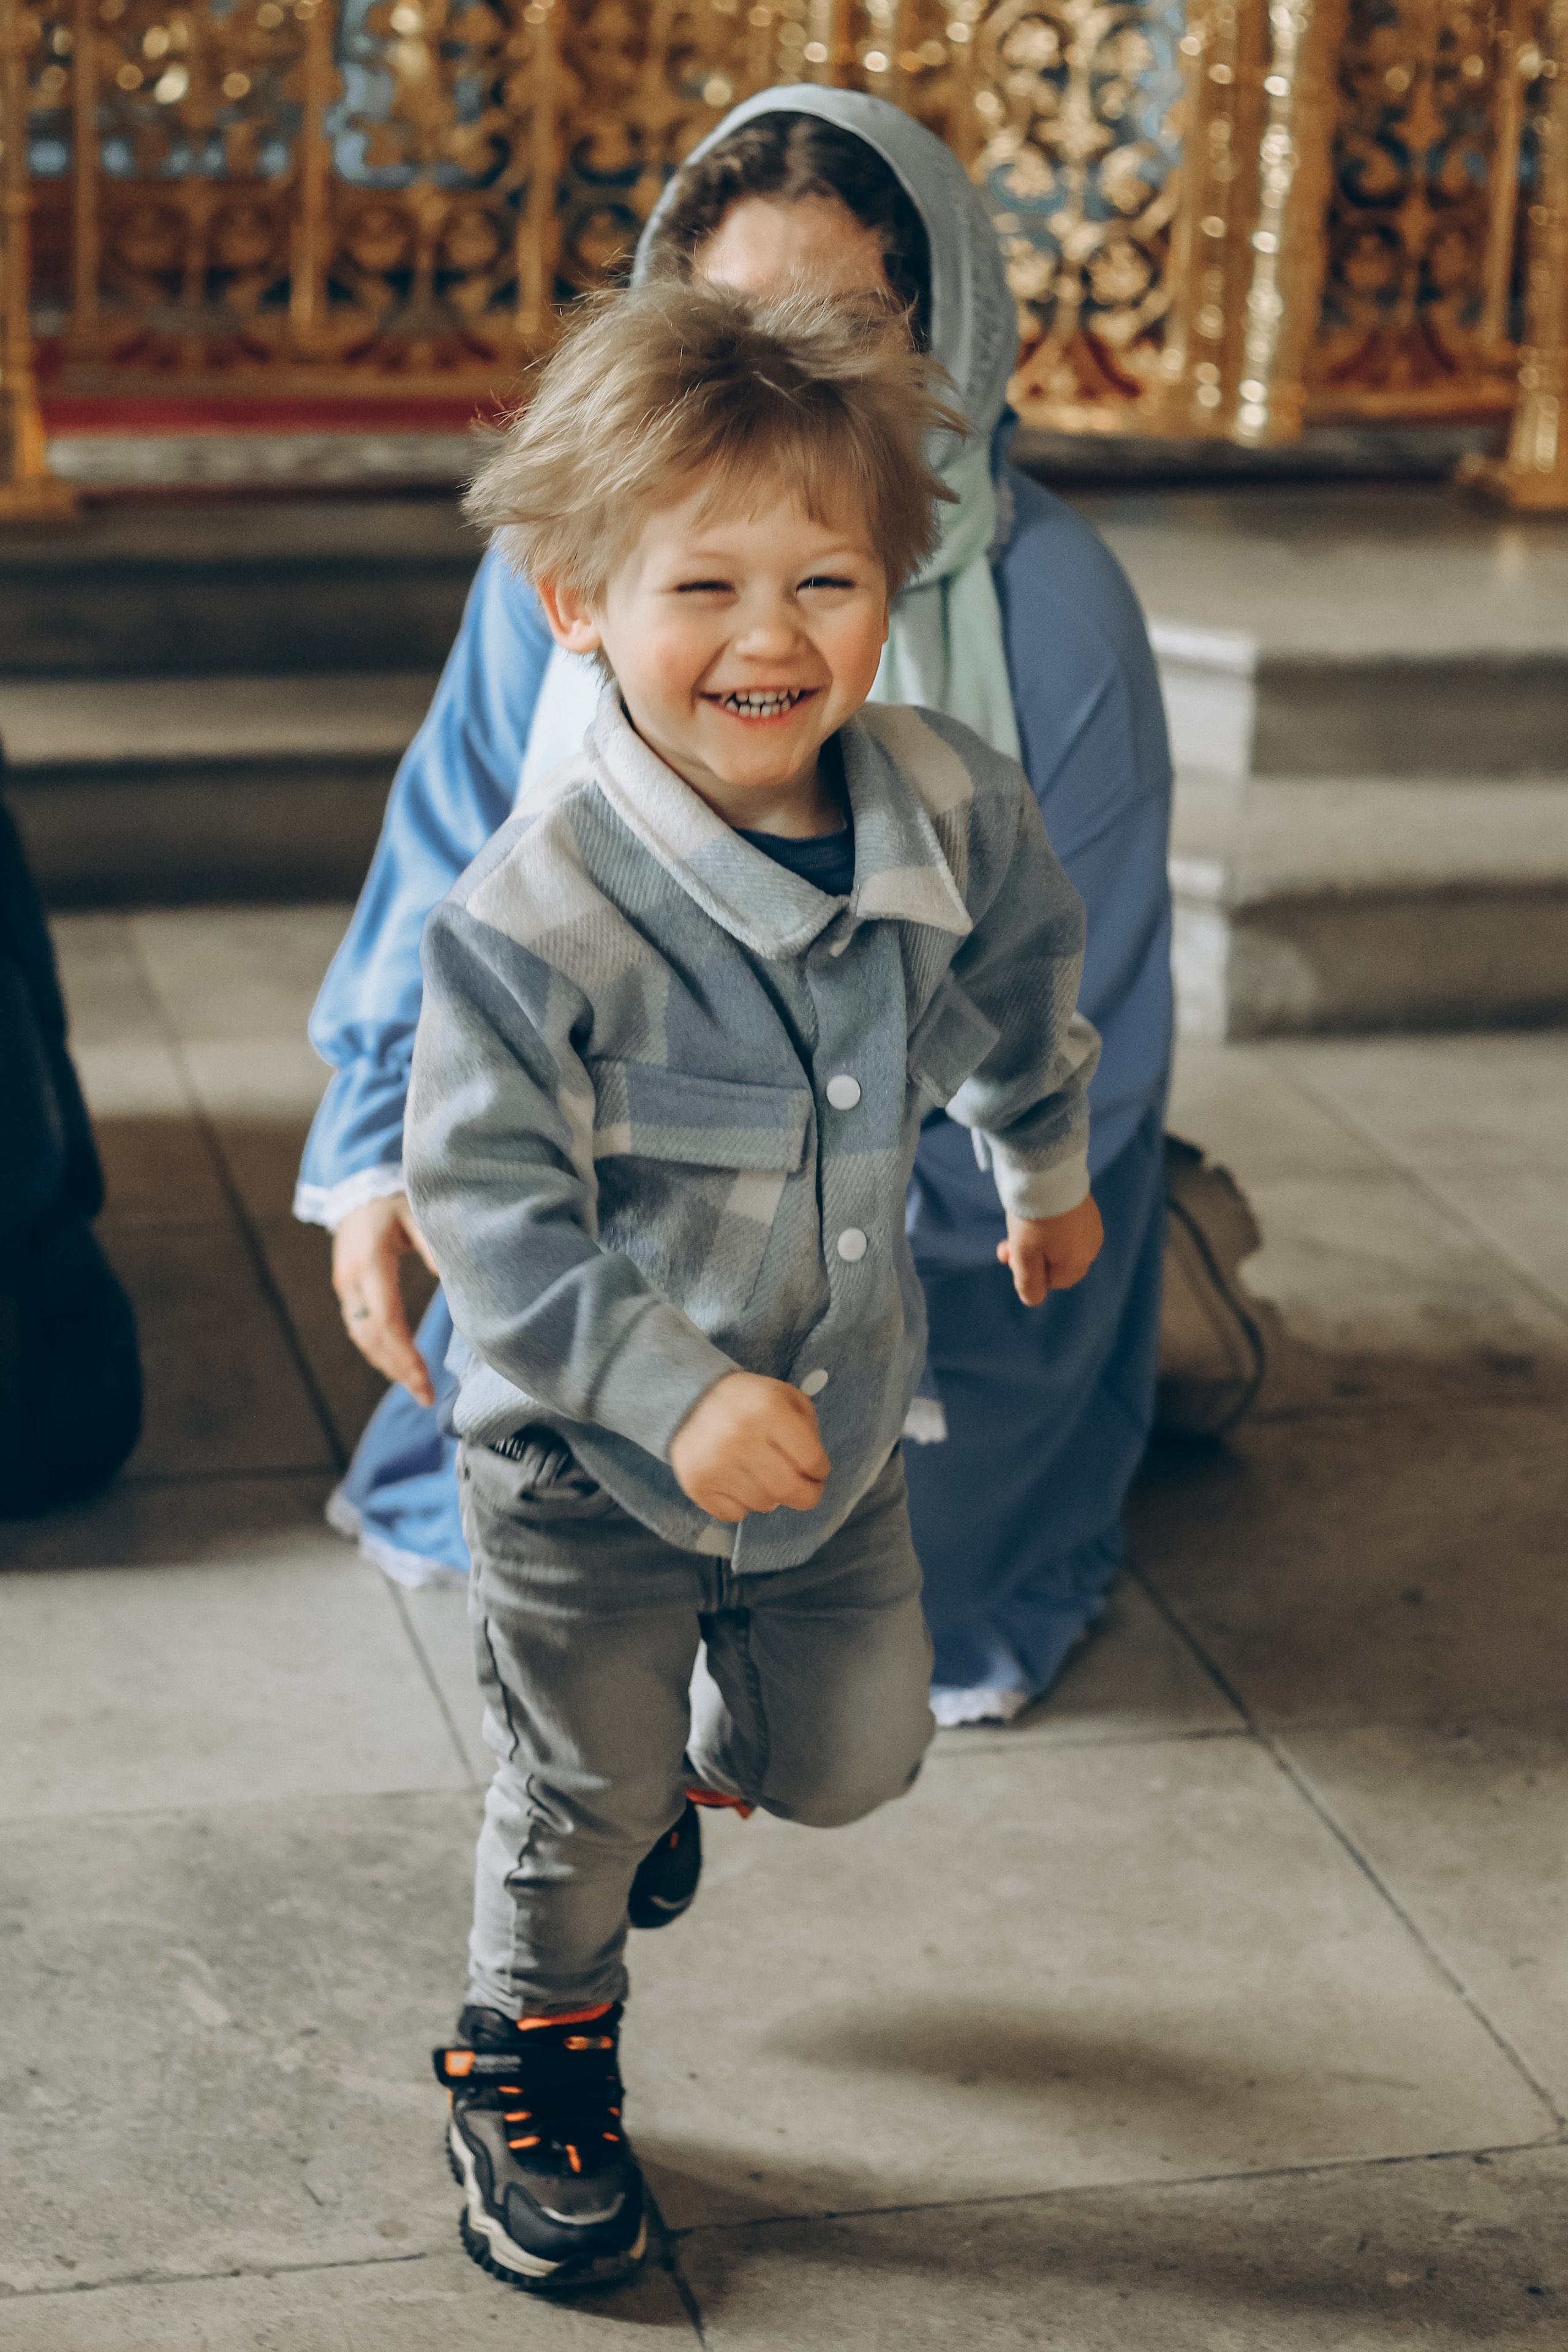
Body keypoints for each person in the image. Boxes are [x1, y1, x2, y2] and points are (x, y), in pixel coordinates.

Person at [296, 86, 1172, 1726]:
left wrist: (811, 1280)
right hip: (616, 1188)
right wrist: (372, 1157)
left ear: (946, 337)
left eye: (844, 330)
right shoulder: (561, 560)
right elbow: (444, 870)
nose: (786, 376)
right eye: (732, 321)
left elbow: (1077, 996)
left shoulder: (1052, 615)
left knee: (887, 1602)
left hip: (916, 1235)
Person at [411, 276, 1103, 2293]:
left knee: (861, 1754)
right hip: (584, 1479)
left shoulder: (951, 801)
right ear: (579, 599)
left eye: (826, 580)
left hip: (839, 1425)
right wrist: (658, 1387)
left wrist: (1037, 1156)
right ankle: (524, 2055)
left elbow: (1011, 987)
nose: (772, 638)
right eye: (703, 586)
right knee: (577, 1795)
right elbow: (492, 1205)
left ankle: (702, 1774)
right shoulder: (533, 918)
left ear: (895, 584)